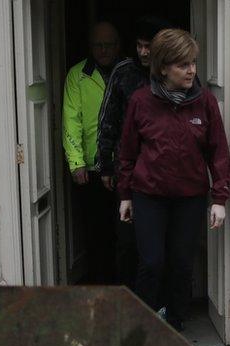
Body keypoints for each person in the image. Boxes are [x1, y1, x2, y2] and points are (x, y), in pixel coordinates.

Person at [117, 29, 230, 331]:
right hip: (149, 194)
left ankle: (176, 320)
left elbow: (218, 152)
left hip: (190, 197)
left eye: (192, 62)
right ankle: (144, 322)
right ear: (163, 67)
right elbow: (127, 151)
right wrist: (125, 195)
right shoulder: (141, 101)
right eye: (183, 64)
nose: (191, 70)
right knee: (152, 262)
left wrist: (219, 198)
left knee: (182, 264)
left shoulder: (204, 102)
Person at [96, 15, 171, 292]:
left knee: (161, 243)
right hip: (127, 171)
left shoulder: (174, 73)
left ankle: (160, 302)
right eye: (139, 46)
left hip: (163, 172)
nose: (143, 52)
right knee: (127, 240)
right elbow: (108, 118)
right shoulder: (123, 72)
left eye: (148, 46)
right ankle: (126, 297)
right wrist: (105, 164)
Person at [63, 21, 120, 283]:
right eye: (98, 45)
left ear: (117, 45)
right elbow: (71, 120)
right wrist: (76, 163)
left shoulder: (126, 71)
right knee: (97, 233)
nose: (103, 50)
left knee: (126, 233)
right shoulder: (78, 74)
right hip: (93, 168)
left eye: (108, 44)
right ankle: (102, 286)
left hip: (125, 168)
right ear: (90, 46)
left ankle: (126, 286)